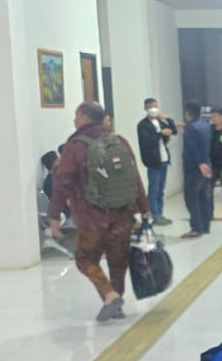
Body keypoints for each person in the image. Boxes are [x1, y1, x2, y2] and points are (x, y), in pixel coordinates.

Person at [47, 102, 149, 321]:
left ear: (84, 118)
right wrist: (145, 208)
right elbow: (134, 176)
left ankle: (110, 296)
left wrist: (54, 215)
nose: (74, 120)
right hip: (123, 213)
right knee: (117, 262)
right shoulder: (119, 141)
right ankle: (116, 305)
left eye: (76, 116)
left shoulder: (75, 146)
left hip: (91, 216)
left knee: (85, 259)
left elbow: (62, 182)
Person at [136, 98, 177, 226]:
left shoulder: (160, 121)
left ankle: (160, 213)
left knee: (160, 190)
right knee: (153, 189)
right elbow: (147, 141)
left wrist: (168, 119)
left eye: (155, 106)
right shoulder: (143, 125)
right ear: (145, 108)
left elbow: (174, 131)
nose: (153, 109)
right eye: (150, 107)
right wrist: (160, 133)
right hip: (153, 161)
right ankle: (154, 214)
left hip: (164, 159)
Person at [181, 101, 213, 238]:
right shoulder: (204, 125)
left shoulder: (190, 128)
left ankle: (196, 228)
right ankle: (205, 226)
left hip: (194, 167)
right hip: (206, 164)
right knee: (203, 197)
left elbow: (192, 148)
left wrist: (199, 163)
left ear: (188, 112)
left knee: (191, 197)